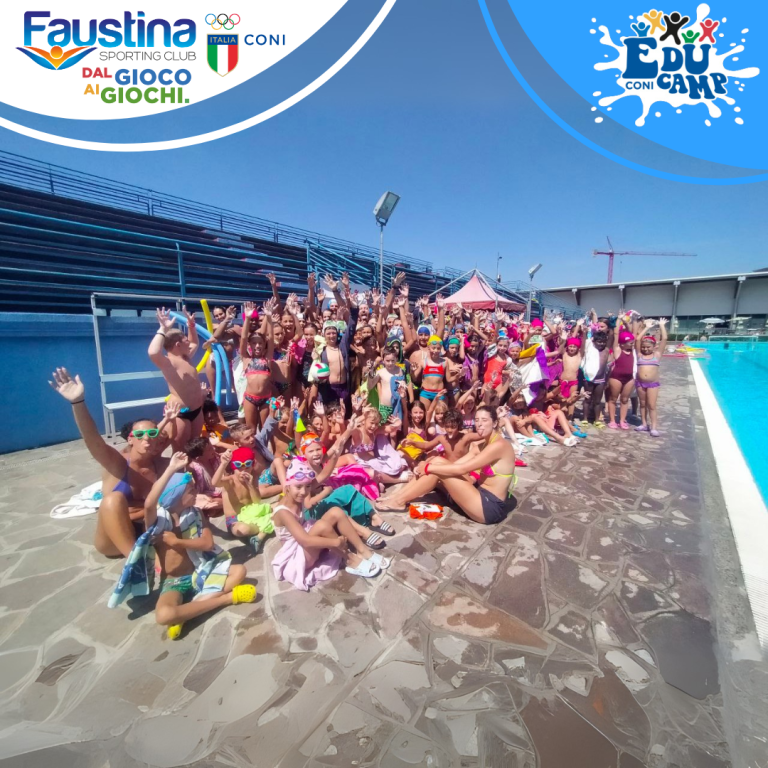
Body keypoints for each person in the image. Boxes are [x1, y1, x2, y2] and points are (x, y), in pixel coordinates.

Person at [49, 367, 177, 557]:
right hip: (115, 538)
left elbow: (171, 433)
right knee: (112, 500)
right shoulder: (117, 464)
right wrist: (78, 402)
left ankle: (142, 554)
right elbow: (94, 441)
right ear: (130, 439)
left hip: (147, 529)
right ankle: (135, 561)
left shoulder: (161, 463)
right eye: (139, 435)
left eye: (152, 434)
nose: (146, 438)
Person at [144, 452, 256, 640]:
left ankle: (186, 613)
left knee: (240, 571)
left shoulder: (195, 514)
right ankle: (226, 599)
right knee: (164, 615)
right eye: (191, 491)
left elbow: (207, 543)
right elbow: (149, 503)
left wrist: (178, 542)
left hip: (201, 571)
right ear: (177, 496)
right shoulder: (158, 524)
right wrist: (171, 469)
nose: (196, 493)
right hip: (175, 582)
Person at [376, 406, 516, 524]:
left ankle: (399, 501)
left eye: (484, 420)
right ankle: (396, 497)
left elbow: (462, 468)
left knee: (436, 468)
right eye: (477, 420)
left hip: (489, 507)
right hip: (478, 494)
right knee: (437, 461)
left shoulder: (498, 446)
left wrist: (428, 467)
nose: (479, 424)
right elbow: (458, 463)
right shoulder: (483, 445)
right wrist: (430, 463)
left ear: (495, 423)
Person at [271, 459, 386, 590]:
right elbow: (305, 541)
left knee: (336, 512)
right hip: (296, 555)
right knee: (322, 526)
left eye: (307, 486)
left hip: (305, 538)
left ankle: (363, 551)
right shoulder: (283, 512)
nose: (303, 492)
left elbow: (324, 475)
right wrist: (335, 542)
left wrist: (335, 454)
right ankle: (349, 559)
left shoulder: (298, 494)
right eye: (298, 487)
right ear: (287, 487)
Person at [148, 307, 206, 451]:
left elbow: (195, 342)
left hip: (197, 410)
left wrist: (191, 326)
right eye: (186, 340)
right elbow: (153, 352)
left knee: (194, 449)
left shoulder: (185, 357)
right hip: (181, 413)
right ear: (178, 345)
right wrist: (162, 329)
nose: (189, 343)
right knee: (180, 451)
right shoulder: (168, 363)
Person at [213, 447, 274, 554]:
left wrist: (250, 485)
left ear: (252, 465)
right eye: (239, 468)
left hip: (253, 512)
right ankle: (266, 524)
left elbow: (257, 501)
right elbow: (215, 483)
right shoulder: (230, 481)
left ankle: (261, 531)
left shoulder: (252, 478)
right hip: (236, 519)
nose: (243, 471)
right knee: (242, 530)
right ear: (233, 468)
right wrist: (223, 464)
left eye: (247, 468)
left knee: (280, 507)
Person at [635, 318, 668, 437]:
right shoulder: (639, 355)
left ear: (654, 346)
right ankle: (644, 424)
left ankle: (653, 427)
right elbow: (637, 339)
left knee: (652, 406)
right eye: (644, 347)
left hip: (652, 384)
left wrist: (661, 325)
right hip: (640, 383)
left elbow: (664, 339)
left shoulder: (657, 355)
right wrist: (647, 327)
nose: (645, 349)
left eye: (648, 347)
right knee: (642, 404)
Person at [607, 326, 637, 429]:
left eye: (632, 342)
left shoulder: (634, 351)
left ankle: (622, 420)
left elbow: (635, 335)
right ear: (622, 344)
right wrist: (618, 321)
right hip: (616, 377)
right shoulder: (618, 350)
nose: (632, 344)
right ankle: (612, 420)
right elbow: (616, 335)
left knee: (625, 399)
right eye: (630, 343)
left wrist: (630, 323)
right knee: (613, 399)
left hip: (629, 378)